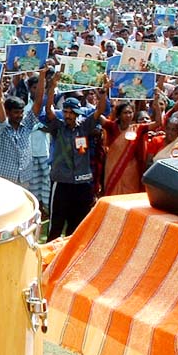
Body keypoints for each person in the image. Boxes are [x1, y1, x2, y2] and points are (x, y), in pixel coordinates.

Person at [44, 75, 108, 240]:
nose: (68, 116)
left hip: (82, 184)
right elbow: (48, 110)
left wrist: (104, 91)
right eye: (65, 112)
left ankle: (71, 254)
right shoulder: (58, 127)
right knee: (56, 227)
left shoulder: (84, 127)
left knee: (77, 227)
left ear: (77, 113)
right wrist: (52, 87)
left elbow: (99, 111)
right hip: (61, 182)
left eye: (71, 113)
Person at [0, 79, 43, 188]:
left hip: (24, 178)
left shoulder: (27, 124)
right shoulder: (0, 127)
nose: (19, 115)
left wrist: (42, 75)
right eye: (16, 112)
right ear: (7, 112)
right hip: (3, 179)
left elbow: (38, 101)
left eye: (21, 112)